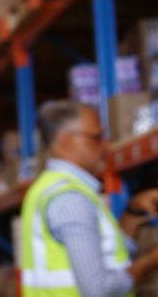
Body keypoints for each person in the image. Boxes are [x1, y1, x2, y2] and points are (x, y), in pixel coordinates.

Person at [22, 102, 158, 296]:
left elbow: (108, 257)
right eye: (97, 137)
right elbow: (98, 289)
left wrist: (132, 212)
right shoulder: (70, 198)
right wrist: (149, 262)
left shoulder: (49, 187)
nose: (105, 144)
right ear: (65, 140)